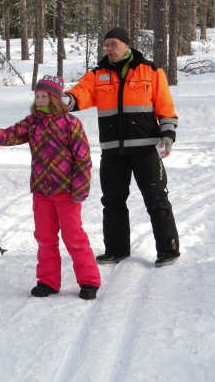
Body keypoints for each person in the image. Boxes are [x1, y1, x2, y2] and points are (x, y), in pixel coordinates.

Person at [64, 27, 180, 268]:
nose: (109, 49)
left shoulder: (151, 70)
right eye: (106, 46)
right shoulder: (97, 74)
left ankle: (168, 249)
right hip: (112, 151)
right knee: (113, 201)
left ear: (127, 44)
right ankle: (117, 249)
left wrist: (168, 135)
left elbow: (165, 107)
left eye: (113, 44)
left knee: (156, 199)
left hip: (146, 149)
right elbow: (80, 94)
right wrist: (65, 100)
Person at [0, 75, 101, 300]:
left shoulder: (70, 123)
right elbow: (9, 136)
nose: (40, 99)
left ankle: (89, 281)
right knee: (45, 237)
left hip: (67, 192)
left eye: (45, 96)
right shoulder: (31, 122)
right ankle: (48, 281)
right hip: (42, 191)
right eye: (37, 96)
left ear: (55, 98)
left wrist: (80, 188)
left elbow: (83, 158)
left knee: (74, 237)